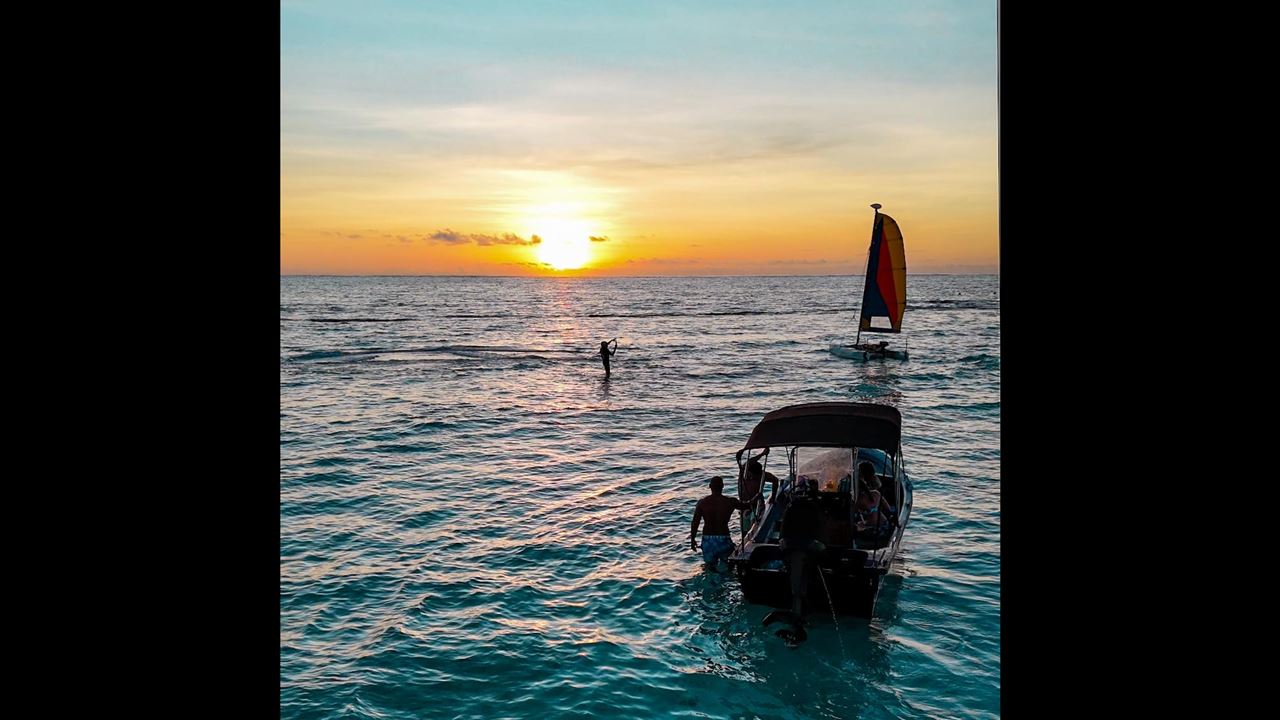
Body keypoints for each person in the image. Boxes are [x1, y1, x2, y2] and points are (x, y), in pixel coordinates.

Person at [690, 476, 746, 571]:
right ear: (723, 486)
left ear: (710, 486)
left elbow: (695, 522)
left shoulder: (702, 503)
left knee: (709, 567)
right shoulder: (730, 502)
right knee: (729, 566)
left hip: (708, 540)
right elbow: (746, 506)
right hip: (724, 538)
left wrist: (692, 539)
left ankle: (712, 583)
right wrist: (756, 498)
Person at [738, 456, 778, 535]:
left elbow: (775, 480)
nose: (755, 477)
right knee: (744, 531)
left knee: (754, 525)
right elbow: (748, 462)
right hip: (744, 506)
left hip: (757, 505)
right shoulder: (743, 473)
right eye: (754, 475)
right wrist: (762, 454)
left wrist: (773, 496)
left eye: (757, 476)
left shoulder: (763, 475)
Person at [854, 461, 895, 534]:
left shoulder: (859, 499)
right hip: (884, 524)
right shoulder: (877, 494)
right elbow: (888, 510)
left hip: (872, 528)